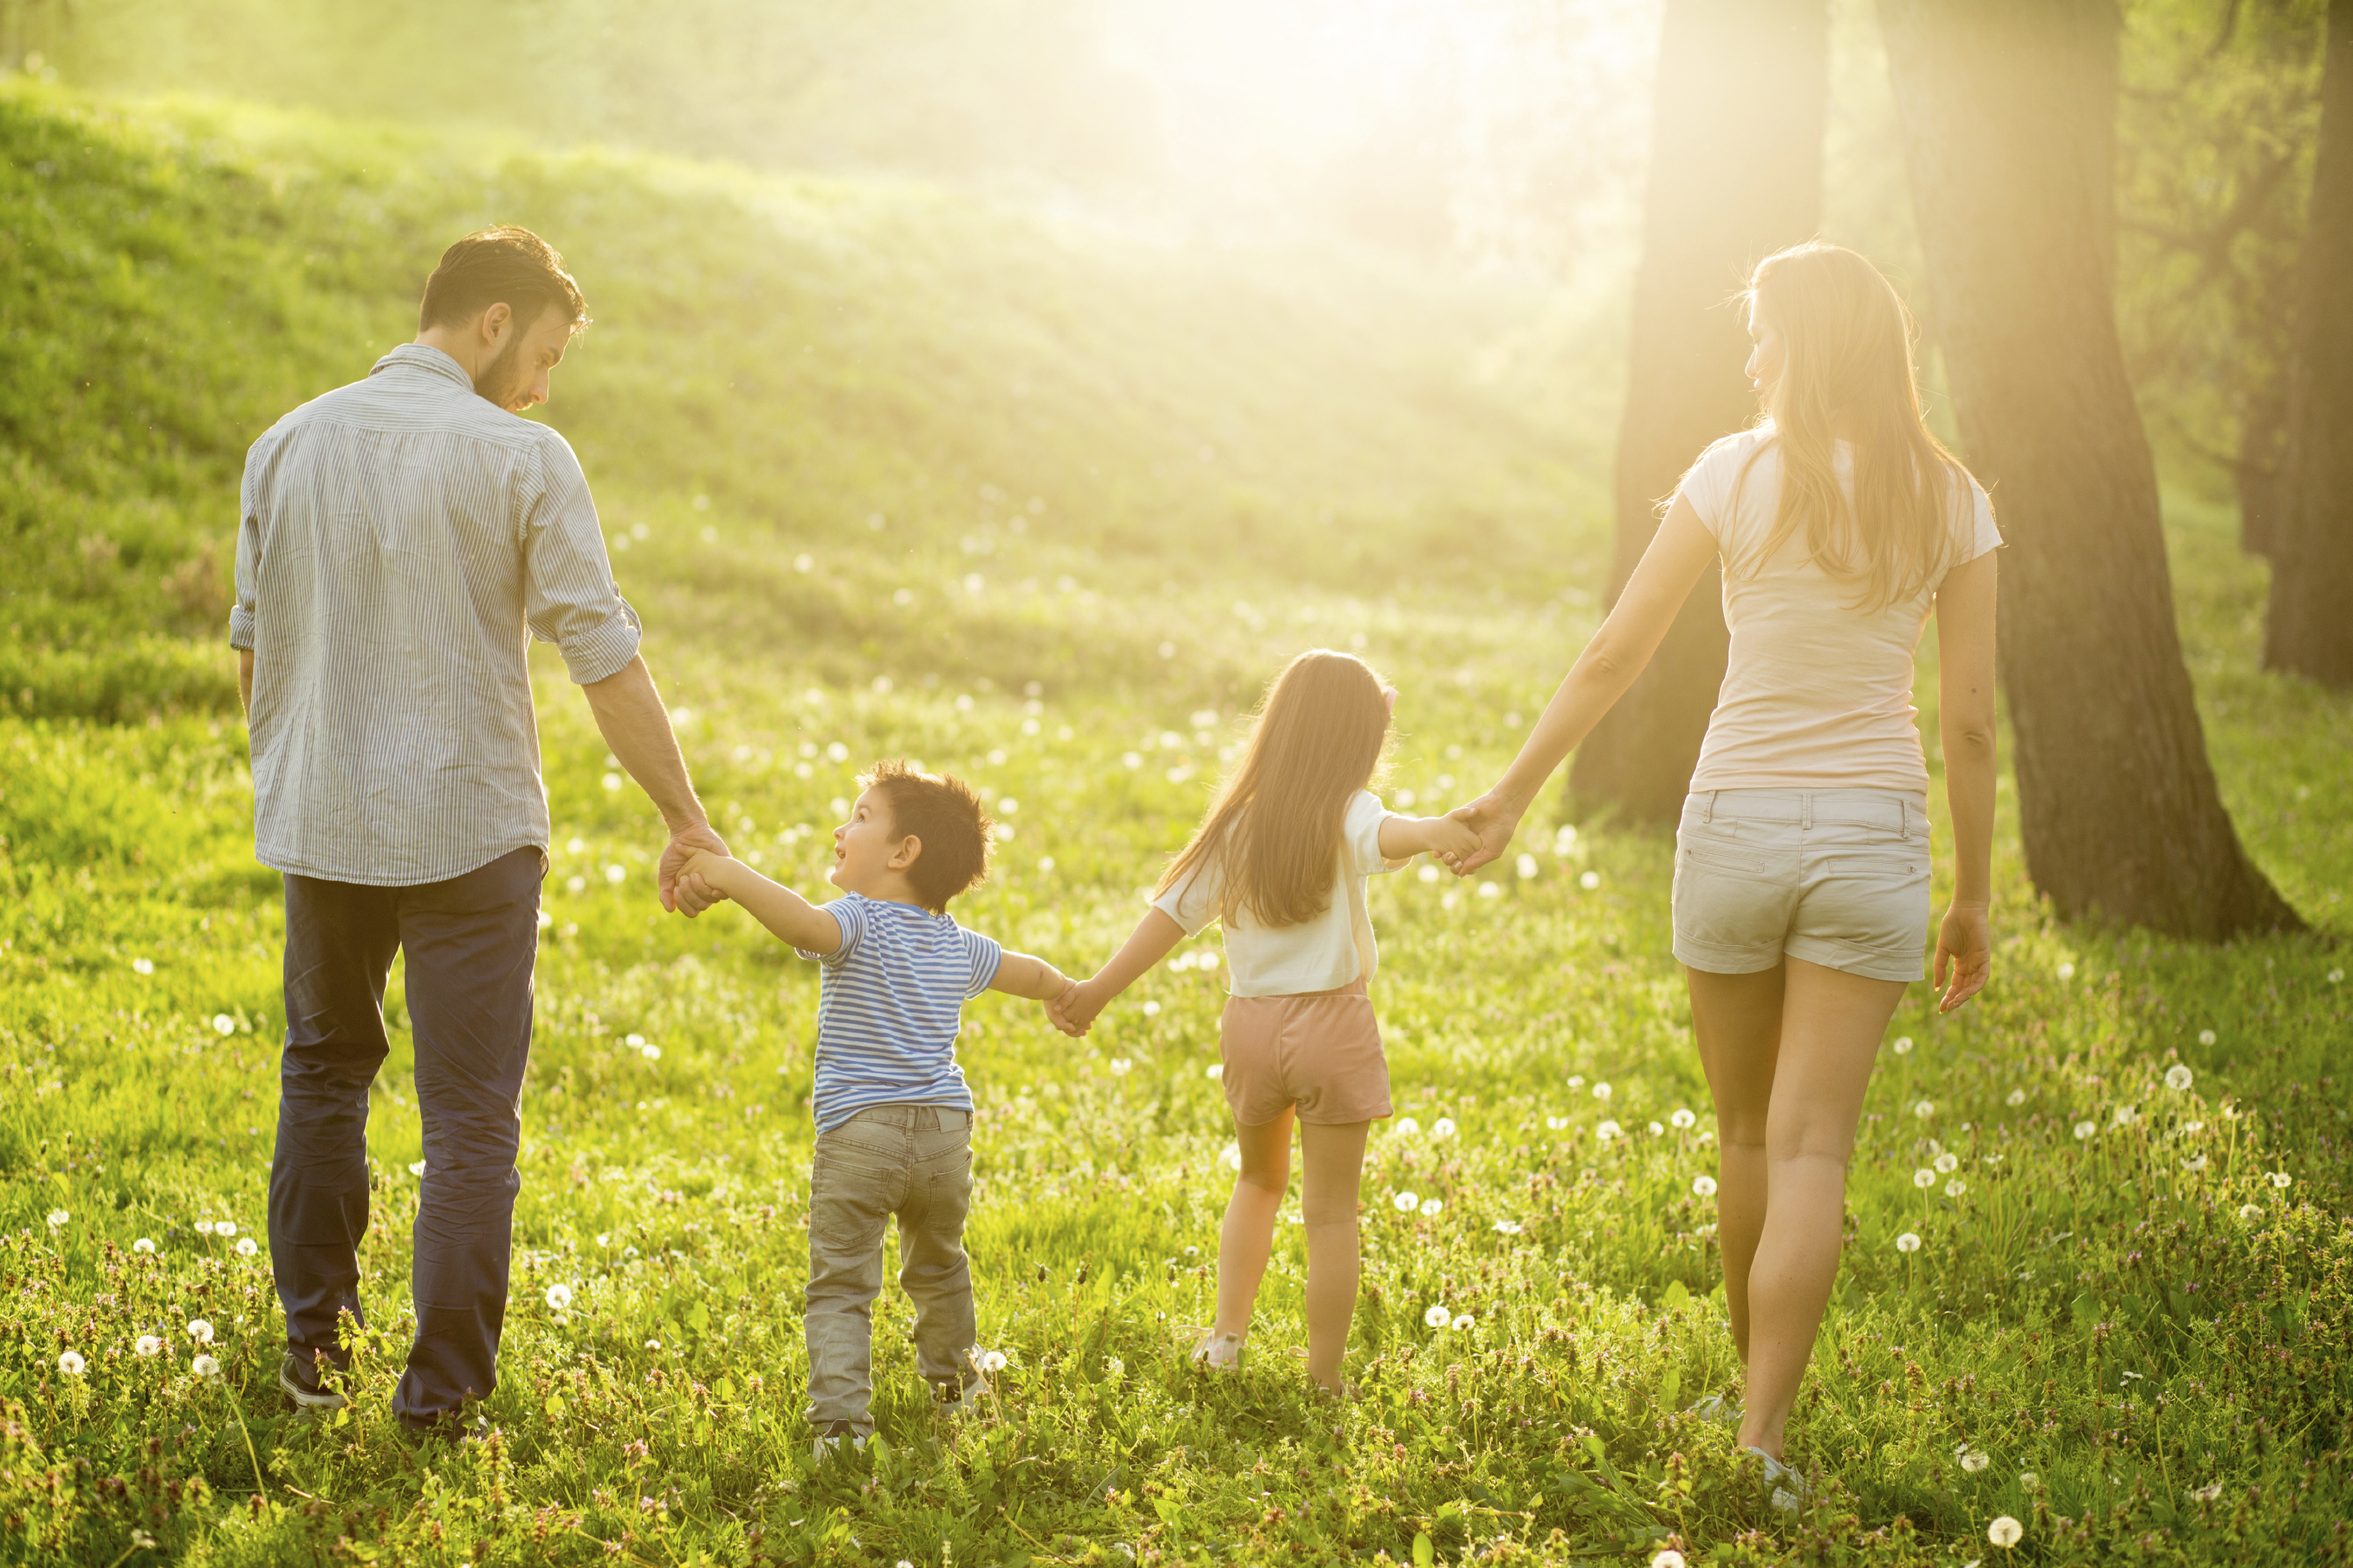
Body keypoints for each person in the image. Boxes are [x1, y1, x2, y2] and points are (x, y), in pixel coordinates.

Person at [1444, 242, 2000, 1487]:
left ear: (1804, 346)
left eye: (1761, 335)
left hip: (1737, 822)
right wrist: (1971, 892)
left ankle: (1748, 1399)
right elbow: (1969, 721)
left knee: (1747, 1134)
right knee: (1815, 1149)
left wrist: (1511, 795)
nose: (1749, 357)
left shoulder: (1733, 472)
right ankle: (1763, 1433)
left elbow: (1612, 655)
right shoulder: (1951, 495)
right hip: (1873, 833)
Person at [232, 226, 731, 1432]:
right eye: (546, 354)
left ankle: (315, 1359)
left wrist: (299, 781)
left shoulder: (286, 444)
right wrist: (686, 818)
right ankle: (443, 1395)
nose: (545, 385)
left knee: (322, 1074)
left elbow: (253, 649)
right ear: (494, 323)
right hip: (470, 828)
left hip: (326, 822)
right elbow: (600, 655)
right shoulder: (524, 457)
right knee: (467, 1120)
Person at [1048, 651, 1479, 1397]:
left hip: (1251, 1028)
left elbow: (1167, 920)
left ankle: (1225, 1340)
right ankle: (1324, 1380)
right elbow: (1397, 833)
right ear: (1357, 742)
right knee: (1332, 1215)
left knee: (1256, 1181)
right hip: (1333, 1028)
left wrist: (1095, 992)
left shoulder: (1235, 826)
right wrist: (1448, 827)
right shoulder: (1348, 812)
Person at [677, 761, 1073, 1456]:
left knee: (840, 1285)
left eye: (859, 817)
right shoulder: (958, 944)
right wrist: (1065, 991)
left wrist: (729, 874)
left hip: (862, 1134)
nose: (841, 827)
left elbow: (798, 920)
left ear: (903, 852)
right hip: (946, 1139)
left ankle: (842, 1429)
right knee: (941, 1266)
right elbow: (1029, 970)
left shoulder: (856, 922)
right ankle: (957, 1393)